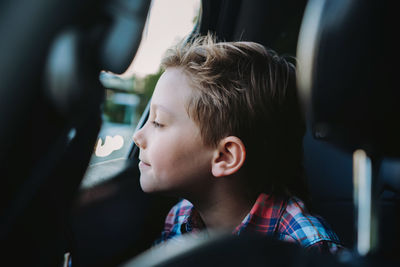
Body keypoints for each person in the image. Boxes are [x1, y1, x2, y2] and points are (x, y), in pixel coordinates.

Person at [133, 34, 343, 253]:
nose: (137, 136)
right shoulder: (181, 216)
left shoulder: (305, 250)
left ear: (225, 156)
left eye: (158, 123)